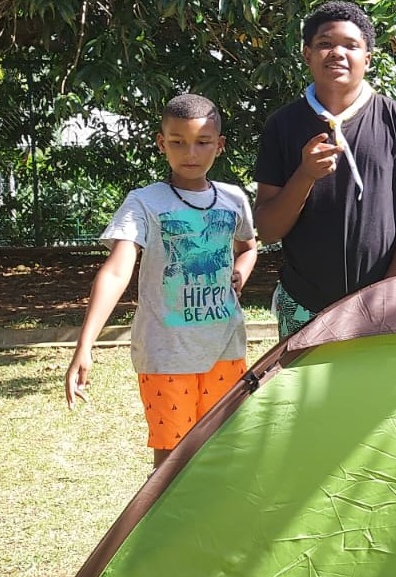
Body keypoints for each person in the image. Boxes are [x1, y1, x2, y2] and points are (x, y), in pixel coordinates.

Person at [65, 94, 258, 468]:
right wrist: (84, 346)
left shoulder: (233, 199)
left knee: (223, 453)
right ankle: (169, 527)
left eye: (203, 142)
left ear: (219, 146)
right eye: (178, 142)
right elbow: (118, 269)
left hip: (227, 351)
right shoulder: (144, 203)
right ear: (161, 143)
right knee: (171, 461)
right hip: (166, 356)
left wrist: (239, 275)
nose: (191, 152)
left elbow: (248, 246)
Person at [253, 1, 396, 337]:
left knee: (378, 391)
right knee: (303, 391)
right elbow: (268, 230)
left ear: (367, 58)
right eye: (325, 44)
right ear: (307, 54)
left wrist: (386, 295)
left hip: (384, 305)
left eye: (351, 45)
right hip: (303, 304)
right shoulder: (282, 125)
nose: (337, 53)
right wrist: (305, 175)